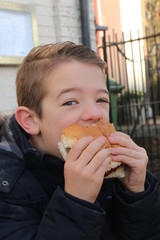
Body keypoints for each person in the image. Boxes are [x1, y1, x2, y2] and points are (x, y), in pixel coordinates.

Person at [0, 41, 160, 240]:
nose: (95, 113)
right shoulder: (7, 185)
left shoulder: (112, 171)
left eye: (101, 100)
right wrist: (77, 201)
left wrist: (136, 194)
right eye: (70, 102)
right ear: (31, 121)